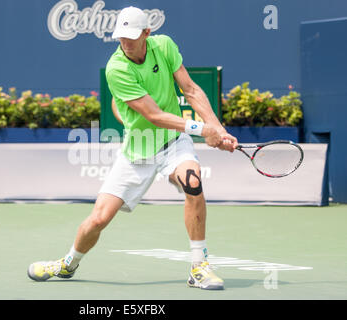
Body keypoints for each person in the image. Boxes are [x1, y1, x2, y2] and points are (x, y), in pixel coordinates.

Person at [28, 6, 238, 290]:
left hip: (174, 145)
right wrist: (203, 130)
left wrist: (219, 129)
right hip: (137, 151)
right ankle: (68, 263)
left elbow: (191, 90)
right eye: (120, 37)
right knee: (98, 219)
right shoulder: (117, 68)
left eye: (131, 36)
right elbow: (154, 115)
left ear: (147, 33)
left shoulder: (164, 46)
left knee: (193, 182)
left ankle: (198, 266)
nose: (125, 43)